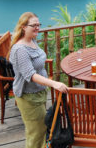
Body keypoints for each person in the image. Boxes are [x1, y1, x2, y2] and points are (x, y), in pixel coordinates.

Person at [8, 12, 68, 148]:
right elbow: (31, 75)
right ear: (23, 27)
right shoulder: (20, 49)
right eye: (33, 25)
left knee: (40, 129)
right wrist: (54, 83)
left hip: (39, 93)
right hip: (28, 96)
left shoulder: (32, 40)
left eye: (38, 25)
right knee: (36, 132)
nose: (37, 28)